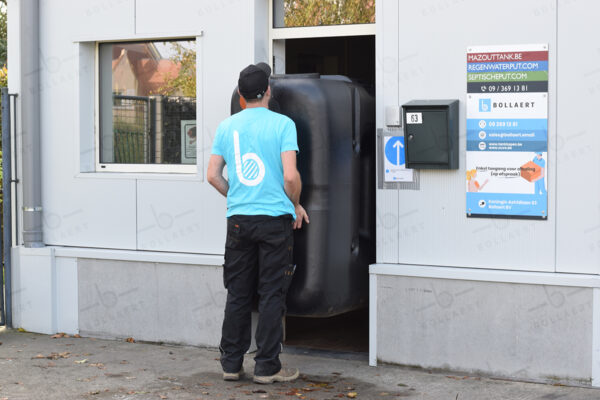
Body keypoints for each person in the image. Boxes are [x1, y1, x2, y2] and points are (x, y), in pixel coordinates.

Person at [207, 62, 310, 384]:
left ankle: (231, 364)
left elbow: (212, 175)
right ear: (268, 91)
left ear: (240, 94)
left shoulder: (226, 126)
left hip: (238, 220)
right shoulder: (283, 124)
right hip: (274, 222)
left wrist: (236, 197)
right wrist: (293, 206)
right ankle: (267, 367)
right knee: (270, 294)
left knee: (237, 294)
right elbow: (290, 175)